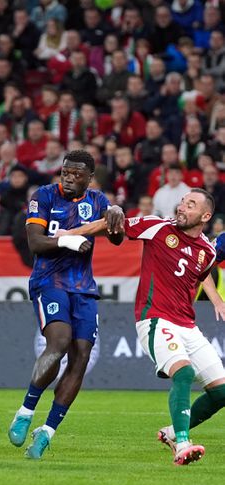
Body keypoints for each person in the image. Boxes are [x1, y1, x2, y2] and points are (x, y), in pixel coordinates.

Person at [61, 189, 225, 466]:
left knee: (221, 392)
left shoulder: (208, 251)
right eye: (183, 201)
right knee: (183, 373)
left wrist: (216, 298)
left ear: (205, 216)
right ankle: (182, 443)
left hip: (188, 325)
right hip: (155, 319)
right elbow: (111, 225)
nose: (182, 207)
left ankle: (171, 432)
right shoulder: (157, 227)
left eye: (191, 204)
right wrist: (69, 234)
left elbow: (203, 272)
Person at [7, 150, 125, 460]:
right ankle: (25, 410)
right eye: (65, 172)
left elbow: (116, 238)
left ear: (89, 178)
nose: (69, 178)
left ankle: (47, 432)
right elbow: (35, 243)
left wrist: (116, 216)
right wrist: (66, 240)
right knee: (58, 344)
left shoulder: (98, 201)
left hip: (83, 288)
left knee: (81, 356)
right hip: (49, 281)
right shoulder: (43, 196)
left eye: (76, 174)